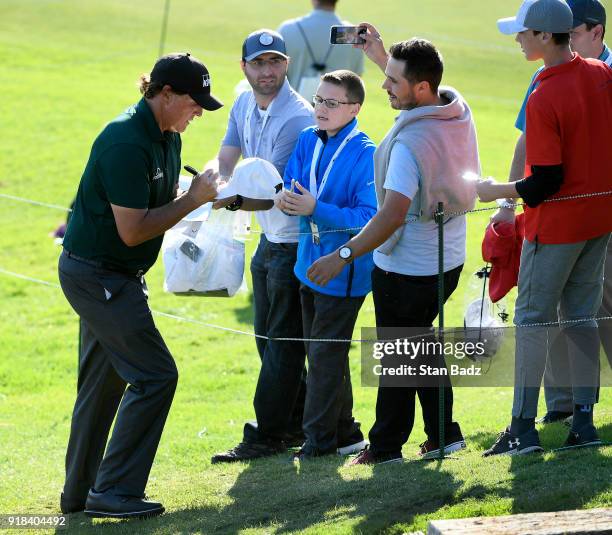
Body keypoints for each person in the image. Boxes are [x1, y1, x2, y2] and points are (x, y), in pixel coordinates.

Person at [58, 53, 222, 518]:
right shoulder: (125, 141)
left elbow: (158, 200)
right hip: (99, 277)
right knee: (155, 376)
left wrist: (201, 200)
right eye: (194, 103)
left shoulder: (166, 135)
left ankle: (79, 497)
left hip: (113, 276)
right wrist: (192, 200)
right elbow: (132, 230)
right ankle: (113, 492)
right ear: (164, 93)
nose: (198, 113)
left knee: (103, 387)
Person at [308, 25, 479, 465]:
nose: (384, 85)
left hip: (406, 270)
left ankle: (385, 448)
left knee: (399, 356)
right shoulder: (455, 109)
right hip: (448, 261)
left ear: (420, 87)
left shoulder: (408, 147)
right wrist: (382, 55)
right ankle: (444, 435)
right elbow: (414, 85)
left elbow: (390, 216)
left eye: (392, 81)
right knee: (421, 345)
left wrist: (342, 254)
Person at [477, 0, 612, 455]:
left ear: (542, 37)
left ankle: (522, 429)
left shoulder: (543, 92)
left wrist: (496, 191)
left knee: (533, 321)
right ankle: (584, 425)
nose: (517, 39)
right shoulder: (601, 72)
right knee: (581, 318)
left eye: (522, 33)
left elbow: (545, 181)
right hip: (599, 222)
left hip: (555, 228)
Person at [209, 29, 315, 463]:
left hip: (292, 239)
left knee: (283, 344)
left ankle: (267, 434)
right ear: (245, 67)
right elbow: (227, 156)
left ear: (286, 65)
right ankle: (298, 422)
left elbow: (280, 196)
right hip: (266, 238)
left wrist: (221, 200)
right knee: (266, 338)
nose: (267, 71)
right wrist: (209, 181)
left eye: (275, 62)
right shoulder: (242, 103)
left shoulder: (298, 117)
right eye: (259, 63)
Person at [277, 70, 376, 459]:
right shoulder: (307, 138)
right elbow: (292, 182)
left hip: (344, 272)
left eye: (331, 103)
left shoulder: (366, 152)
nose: (320, 109)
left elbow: (368, 217)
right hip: (307, 264)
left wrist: (315, 208)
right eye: (318, 100)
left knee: (323, 356)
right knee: (323, 354)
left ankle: (317, 443)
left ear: (354, 108)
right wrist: (288, 198)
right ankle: (346, 432)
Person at [278, 0, 364, 98]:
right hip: (339, 110)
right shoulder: (352, 33)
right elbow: (356, 81)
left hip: (295, 108)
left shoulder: (288, 29)